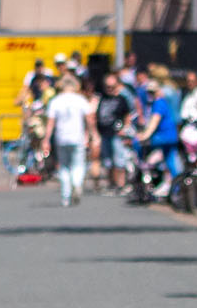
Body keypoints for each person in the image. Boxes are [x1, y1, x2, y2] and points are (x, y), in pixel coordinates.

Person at [43, 73, 95, 206]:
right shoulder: (80, 100)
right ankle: (77, 183)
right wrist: (92, 133)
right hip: (77, 137)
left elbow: (50, 122)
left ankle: (65, 196)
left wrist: (46, 139)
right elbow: (89, 118)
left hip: (61, 137)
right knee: (78, 163)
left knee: (64, 166)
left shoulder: (56, 101)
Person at [94, 68, 135, 193]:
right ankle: (111, 184)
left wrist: (125, 128)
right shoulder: (103, 98)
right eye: (107, 86)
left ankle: (120, 184)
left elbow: (128, 115)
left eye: (111, 86)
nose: (109, 89)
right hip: (104, 133)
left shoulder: (121, 99)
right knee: (107, 161)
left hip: (117, 134)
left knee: (119, 160)